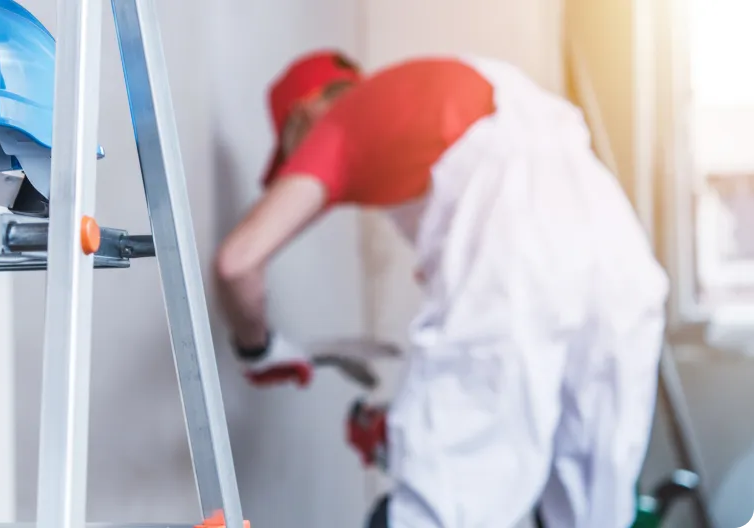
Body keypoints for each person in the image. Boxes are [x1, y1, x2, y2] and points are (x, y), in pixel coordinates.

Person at [213, 50, 670, 528]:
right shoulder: (443, 101)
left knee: (434, 512)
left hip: (524, 262)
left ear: (305, 114)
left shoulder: (342, 124)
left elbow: (237, 263)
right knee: (592, 509)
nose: (299, 166)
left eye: (293, 151)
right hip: (618, 260)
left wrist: (258, 349)